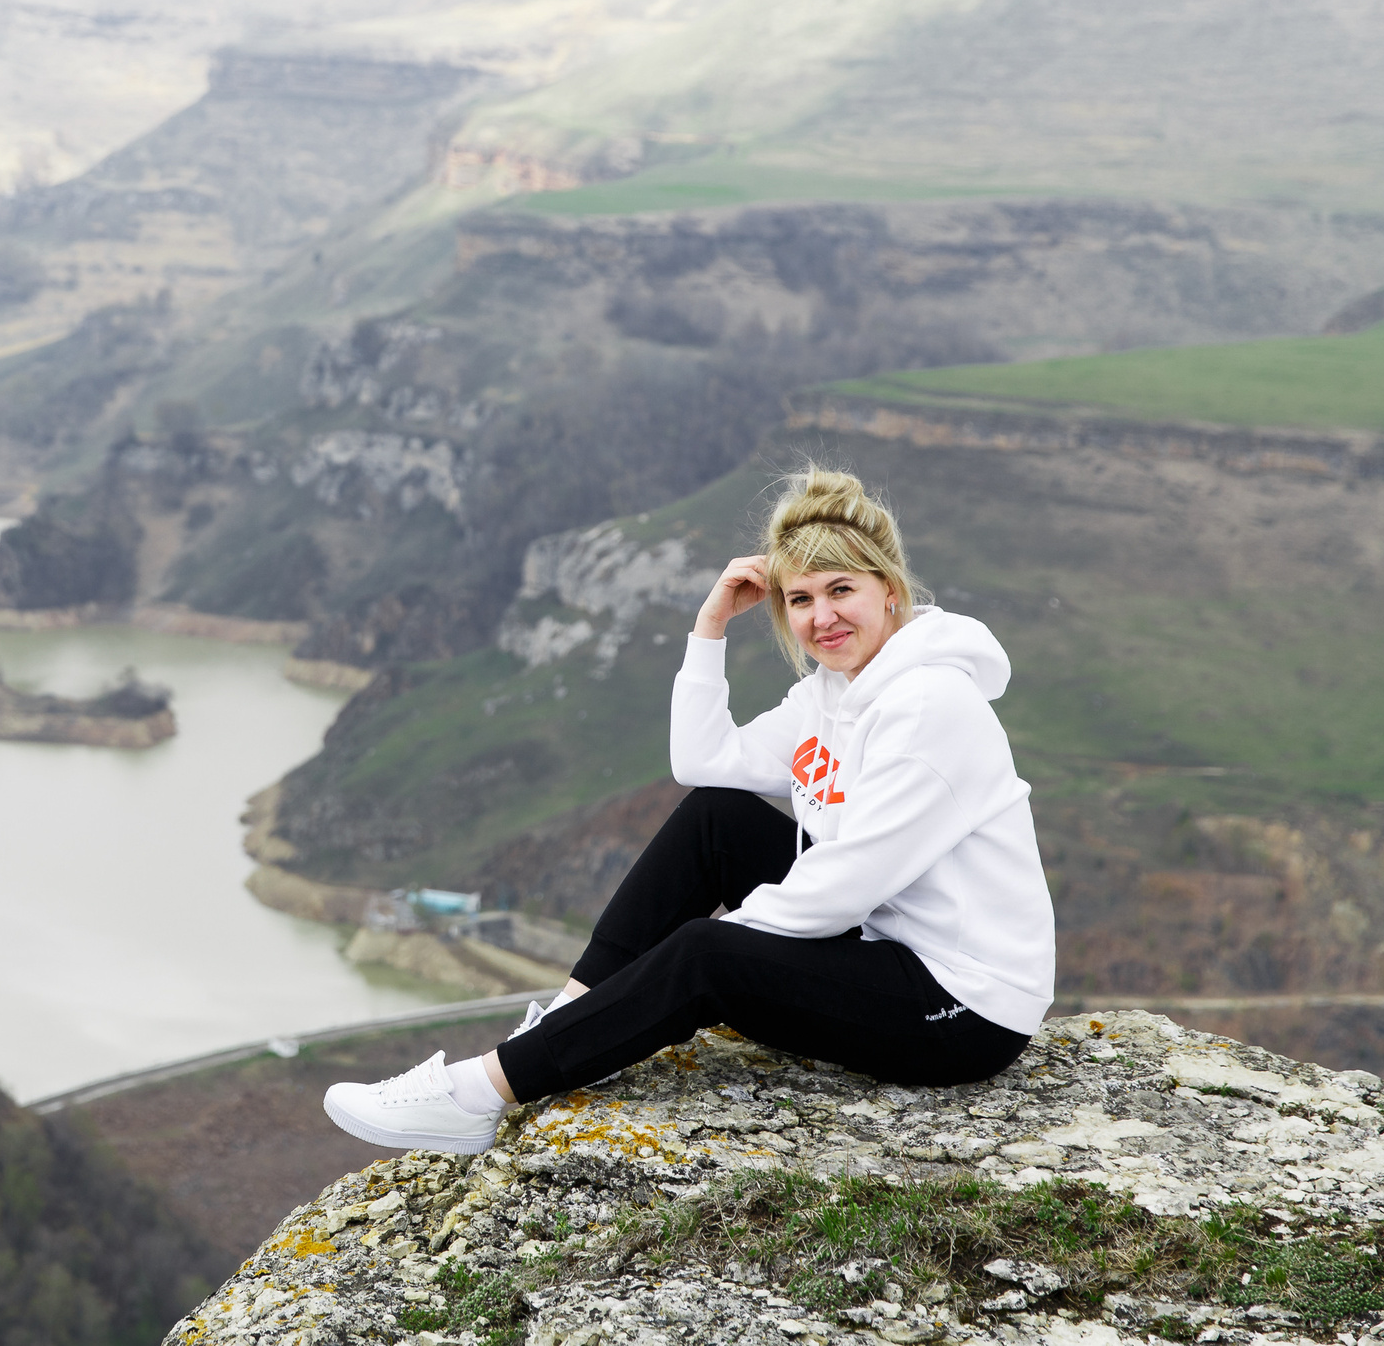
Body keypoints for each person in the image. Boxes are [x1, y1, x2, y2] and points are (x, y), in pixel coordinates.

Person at [321, 467, 1054, 1154]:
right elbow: (704, 762)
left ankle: (477, 1093)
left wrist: (703, 955)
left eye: (841, 590)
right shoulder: (836, 690)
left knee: (707, 952)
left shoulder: (930, 706)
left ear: (888, 589)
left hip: (963, 1007)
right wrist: (709, 628)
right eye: (800, 599)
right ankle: (559, 1020)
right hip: (888, 939)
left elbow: (842, 888)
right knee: (718, 817)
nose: (822, 617)